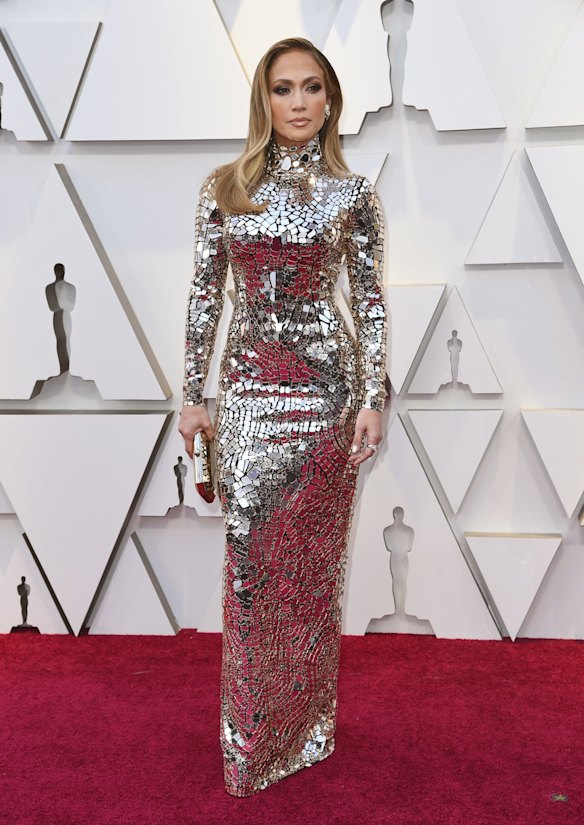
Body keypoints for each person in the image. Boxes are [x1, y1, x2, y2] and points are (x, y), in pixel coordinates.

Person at [178, 37, 388, 797]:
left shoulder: (353, 194)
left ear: (329, 99)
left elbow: (366, 301)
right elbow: (205, 294)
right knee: (250, 572)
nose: (297, 102)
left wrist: (372, 397)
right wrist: (192, 395)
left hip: (326, 398)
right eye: (281, 89)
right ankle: (249, 741)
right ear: (263, 101)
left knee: (312, 572)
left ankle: (305, 729)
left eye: (310, 88)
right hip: (247, 395)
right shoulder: (225, 187)